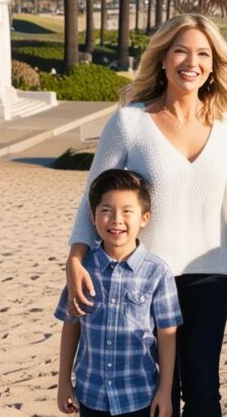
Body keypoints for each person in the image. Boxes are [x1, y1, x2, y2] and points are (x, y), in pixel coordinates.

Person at [66, 14, 227, 417]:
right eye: (181, 51)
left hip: (209, 274)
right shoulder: (130, 121)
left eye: (203, 53)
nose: (192, 61)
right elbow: (93, 195)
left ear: (213, 65)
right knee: (157, 394)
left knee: (204, 393)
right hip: (143, 277)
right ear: (164, 58)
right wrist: (75, 258)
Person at [55, 169, 182, 417]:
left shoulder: (157, 273)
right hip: (91, 396)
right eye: (106, 210)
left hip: (139, 396)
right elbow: (71, 325)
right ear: (92, 217)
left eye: (127, 211)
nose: (116, 219)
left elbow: (167, 333)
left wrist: (165, 391)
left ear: (144, 218)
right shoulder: (83, 270)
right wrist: (63, 382)